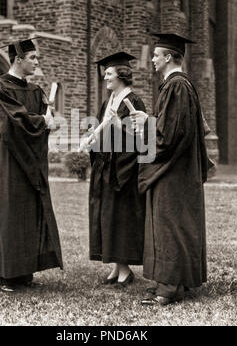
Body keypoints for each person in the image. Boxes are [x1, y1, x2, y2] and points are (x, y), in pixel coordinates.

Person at [131, 33, 209, 305]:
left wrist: (146, 124)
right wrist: (150, 119)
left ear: (168, 57)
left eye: (155, 55)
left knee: (169, 224)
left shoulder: (177, 86)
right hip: (179, 169)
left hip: (173, 170)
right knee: (173, 223)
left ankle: (168, 288)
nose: (151, 59)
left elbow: (171, 135)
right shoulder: (177, 86)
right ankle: (174, 282)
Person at [0, 38, 63, 293]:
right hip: (8, 160)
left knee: (29, 212)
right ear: (18, 59)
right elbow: (11, 122)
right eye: (33, 58)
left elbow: (42, 124)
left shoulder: (35, 91)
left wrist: (51, 120)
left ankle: (25, 271)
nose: (37, 62)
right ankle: (6, 274)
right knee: (9, 213)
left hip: (31, 161)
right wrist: (42, 121)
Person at [85, 51, 146, 287]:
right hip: (106, 168)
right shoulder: (108, 102)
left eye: (109, 73)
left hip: (123, 171)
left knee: (120, 218)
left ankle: (125, 270)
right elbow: (103, 132)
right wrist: (92, 141)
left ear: (121, 74)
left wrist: (119, 127)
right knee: (108, 217)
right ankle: (116, 267)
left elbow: (139, 139)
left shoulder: (134, 101)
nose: (105, 78)